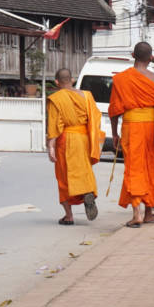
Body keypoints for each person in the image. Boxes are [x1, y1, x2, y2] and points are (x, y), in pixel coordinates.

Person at [108, 42, 154, 228]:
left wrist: (114, 133)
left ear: (133, 55)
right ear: (151, 58)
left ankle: (137, 213)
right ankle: (149, 212)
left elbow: (115, 109)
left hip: (131, 126)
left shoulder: (121, 79)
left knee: (134, 167)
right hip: (152, 127)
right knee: (151, 167)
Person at [47, 68, 102, 225]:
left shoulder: (56, 98)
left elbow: (54, 124)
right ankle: (87, 192)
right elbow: (96, 117)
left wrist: (51, 146)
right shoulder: (86, 96)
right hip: (84, 138)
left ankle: (69, 216)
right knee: (83, 170)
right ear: (72, 80)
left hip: (66, 139)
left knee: (64, 176)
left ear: (57, 82)